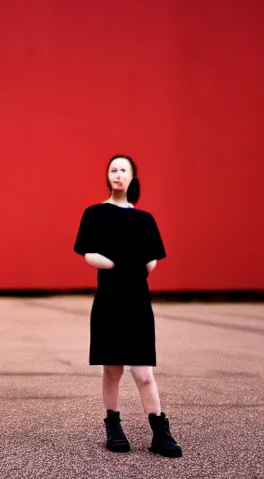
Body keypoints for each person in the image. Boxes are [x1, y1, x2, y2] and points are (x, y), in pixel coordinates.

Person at [73, 154, 182, 458]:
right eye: (113, 170)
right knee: (112, 369)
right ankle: (113, 425)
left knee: (144, 372)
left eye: (123, 170)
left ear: (133, 177)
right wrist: (117, 264)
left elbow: (151, 262)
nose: (118, 174)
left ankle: (160, 432)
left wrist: (127, 267)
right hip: (109, 301)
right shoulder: (94, 214)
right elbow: (87, 253)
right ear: (107, 176)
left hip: (137, 302)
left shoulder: (144, 219)